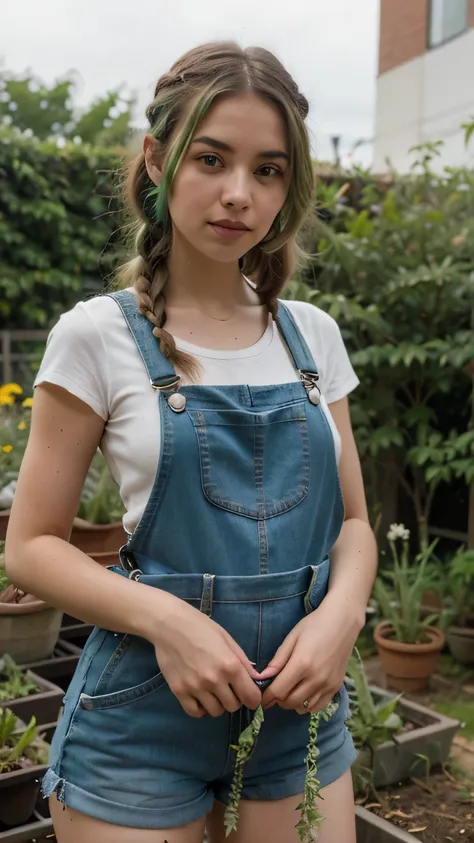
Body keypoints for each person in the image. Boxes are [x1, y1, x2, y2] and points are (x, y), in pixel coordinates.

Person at [5, 41, 377, 843]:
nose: (239, 193)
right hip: (139, 727)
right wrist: (171, 623)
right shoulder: (97, 335)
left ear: (289, 188)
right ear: (156, 159)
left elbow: (354, 525)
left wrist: (342, 616)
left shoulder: (313, 338)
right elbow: (31, 546)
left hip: (296, 718)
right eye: (212, 158)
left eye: (269, 170)